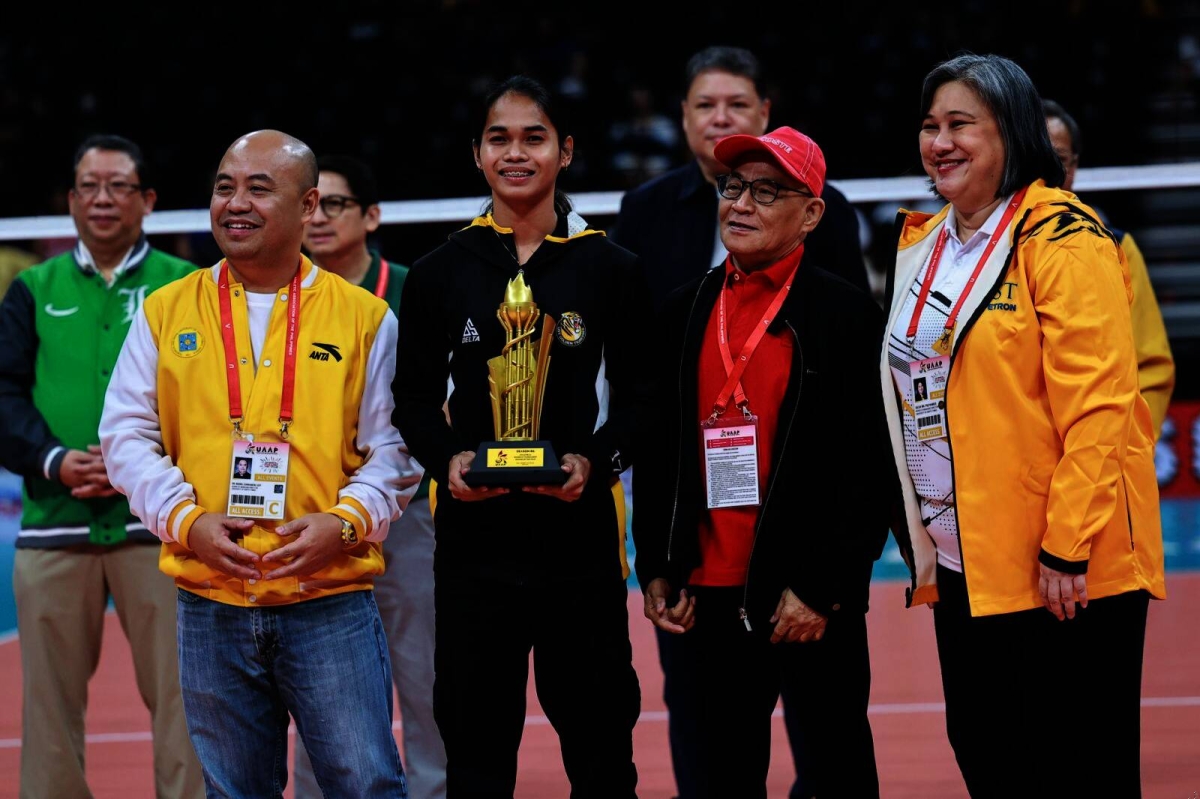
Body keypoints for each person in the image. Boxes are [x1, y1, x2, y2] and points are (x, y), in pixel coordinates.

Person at [100, 130, 418, 798]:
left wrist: (348, 521)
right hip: (210, 594)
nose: (234, 203)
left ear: (308, 208)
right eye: (224, 186)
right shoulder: (164, 312)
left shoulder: (366, 318)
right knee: (235, 790)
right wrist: (185, 519)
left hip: (328, 595)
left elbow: (396, 447)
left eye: (257, 187)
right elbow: (125, 435)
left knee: (366, 784)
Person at [882, 54, 1165, 796]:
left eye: (960, 125)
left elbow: (1101, 402)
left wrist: (1066, 546)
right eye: (929, 125)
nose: (939, 142)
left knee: (1076, 770)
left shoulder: (1064, 238)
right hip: (966, 562)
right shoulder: (926, 243)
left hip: (1061, 572)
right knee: (989, 756)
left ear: (1010, 131)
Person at [613, 45, 865, 799]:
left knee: (833, 768)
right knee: (713, 775)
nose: (741, 203)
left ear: (812, 213)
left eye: (767, 190)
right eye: (733, 187)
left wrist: (822, 586)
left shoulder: (844, 314)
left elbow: (864, 464)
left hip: (802, 596)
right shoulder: (684, 308)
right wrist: (656, 564)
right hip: (702, 597)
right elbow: (656, 447)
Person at [392, 75, 647, 798]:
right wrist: (448, 463)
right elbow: (410, 399)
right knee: (474, 756)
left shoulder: (612, 268)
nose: (516, 153)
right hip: (475, 547)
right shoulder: (439, 273)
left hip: (580, 541)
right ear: (476, 153)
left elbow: (642, 400)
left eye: (534, 137)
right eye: (499, 138)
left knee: (601, 752)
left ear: (565, 151)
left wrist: (593, 461)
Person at [0, 134, 202, 798]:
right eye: (89, 186)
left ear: (147, 200)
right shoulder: (32, 287)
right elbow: (3, 394)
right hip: (55, 523)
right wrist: (52, 460)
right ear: (70, 201)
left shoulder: (188, 286)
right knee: (49, 715)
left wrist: (140, 467)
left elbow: (215, 398)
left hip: (164, 526)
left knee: (185, 707)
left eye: (118, 185)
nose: (102, 198)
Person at [293, 154, 446, 799]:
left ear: (372, 216)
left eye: (336, 204)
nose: (321, 218)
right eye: (311, 206)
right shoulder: (283, 295)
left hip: (403, 513)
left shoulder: (415, 290)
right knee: (315, 680)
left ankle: (435, 790)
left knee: (424, 673)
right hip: (309, 515)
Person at [614, 45, 868, 312]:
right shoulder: (642, 207)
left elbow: (854, 318)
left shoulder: (820, 205)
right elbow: (624, 329)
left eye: (737, 104)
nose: (721, 118)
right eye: (705, 105)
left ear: (764, 113)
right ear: (685, 115)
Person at [1043, 99, 1175, 438]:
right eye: (1033, 157)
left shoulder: (1116, 246)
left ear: (1074, 166)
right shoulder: (984, 250)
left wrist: (1127, 453)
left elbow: (1150, 368)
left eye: (1056, 160)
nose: (1044, 172)